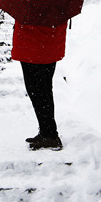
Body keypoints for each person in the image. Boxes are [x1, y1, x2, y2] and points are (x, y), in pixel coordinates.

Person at [12, 21, 66, 150]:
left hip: (32, 47)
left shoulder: (30, 3)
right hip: (47, 47)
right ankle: (47, 131)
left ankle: (50, 135)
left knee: (38, 92)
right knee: (43, 91)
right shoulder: (59, 6)